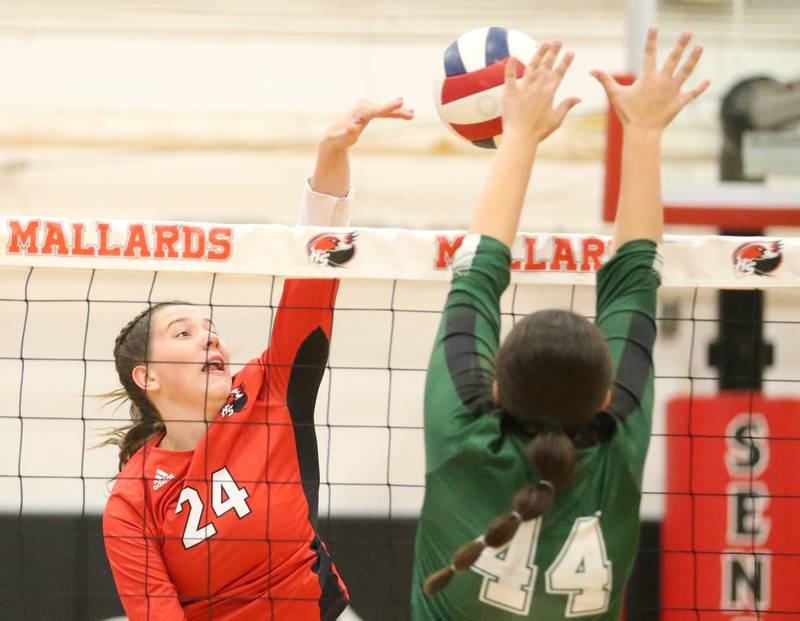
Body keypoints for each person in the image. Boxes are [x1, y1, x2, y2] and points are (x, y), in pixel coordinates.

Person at [411, 30, 709, 620]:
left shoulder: (467, 437)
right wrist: (645, 134)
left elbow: (479, 273)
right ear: (601, 395)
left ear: (495, 388)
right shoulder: (612, 441)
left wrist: (518, 138)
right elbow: (630, 280)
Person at [102, 98, 414, 621]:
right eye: (185, 333)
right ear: (147, 377)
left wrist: (329, 158)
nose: (211, 341)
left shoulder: (267, 387)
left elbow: (312, 275)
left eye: (213, 331)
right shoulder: (132, 500)